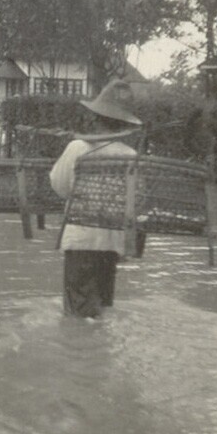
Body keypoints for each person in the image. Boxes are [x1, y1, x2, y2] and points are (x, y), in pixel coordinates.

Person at [49, 79, 143, 319]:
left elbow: (60, 185)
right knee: (100, 310)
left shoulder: (77, 148)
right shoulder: (130, 155)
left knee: (78, 315)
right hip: (111, 244)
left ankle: (81, 342)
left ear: (95, 117)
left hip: (81, 241)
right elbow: (135, 198)